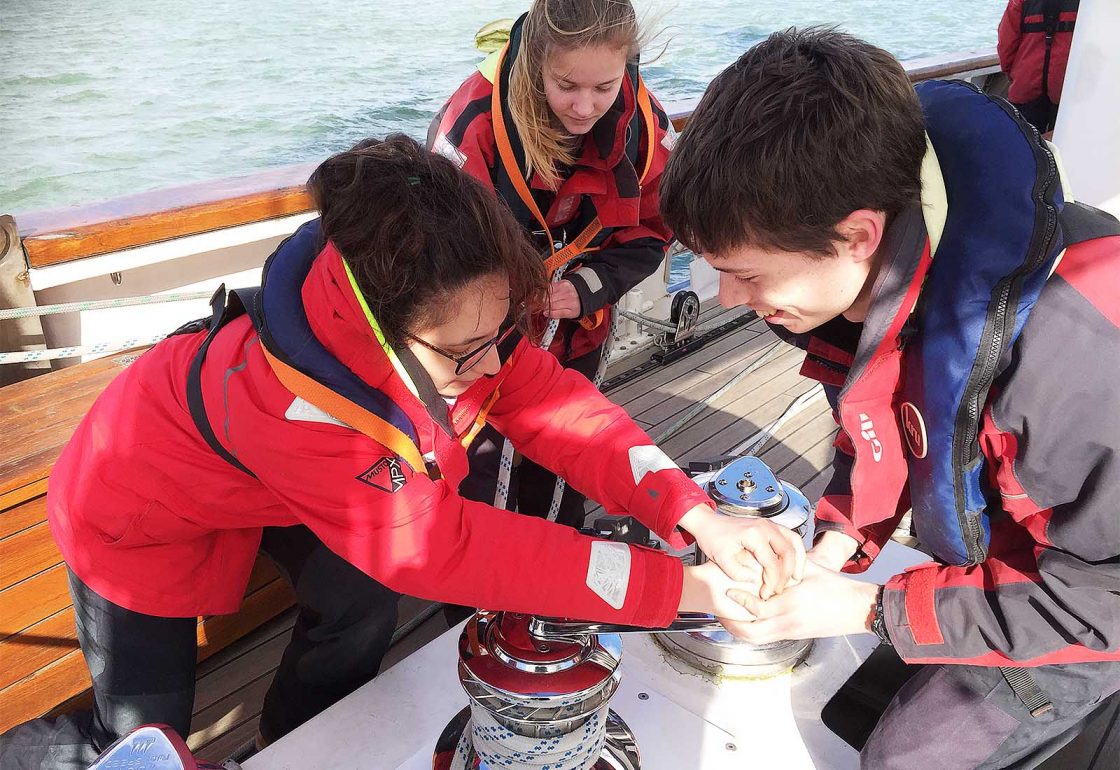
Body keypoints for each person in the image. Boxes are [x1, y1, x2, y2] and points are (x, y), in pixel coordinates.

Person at [0, 135, 803, 769]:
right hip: (133, 506)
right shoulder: (297, 410)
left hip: (265, 487)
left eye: (503, 335)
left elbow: (557, 403)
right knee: (149, 734)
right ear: (381, 341)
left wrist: (695, 514)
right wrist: (682, 587)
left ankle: (296, 745)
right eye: (467, 354)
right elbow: (442, 548)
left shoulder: (451, 312)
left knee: (358, 604)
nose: (495, 366)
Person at [659, 28, 1120, 769]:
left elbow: (1103, 602)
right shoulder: (881, 279)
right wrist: (838, 543)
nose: (728, 298)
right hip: (995, 562)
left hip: (1076, 609)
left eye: (746, 273)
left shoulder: (1081, 357)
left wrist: (869, 608)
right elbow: (889, 418)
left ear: (856, 236)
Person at [428, 0, 676, 528]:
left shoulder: (642, 124)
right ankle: (477, 602)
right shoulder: (473, 120)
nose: (586, 108)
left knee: (567, 461)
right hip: (485, 338)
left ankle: (559, 583)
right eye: (567, 85)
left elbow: (653, 225)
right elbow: (439, 250)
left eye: (604, 88)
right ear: (536, 61)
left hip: (576, 325)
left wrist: (587, 288)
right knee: (481, 467)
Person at [998, 0, 1080, 134]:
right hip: (1067, 86)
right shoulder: (1088, 6)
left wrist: (1011, 73)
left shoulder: (1019, 2)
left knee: (1024, 142)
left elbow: (1006, 45)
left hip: (1027, 82)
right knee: (1064, 143)